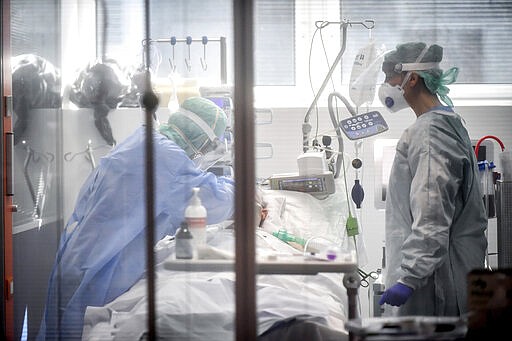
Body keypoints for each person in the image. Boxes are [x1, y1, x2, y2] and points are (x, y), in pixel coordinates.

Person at [38, 96, 235, 340]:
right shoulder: (166, 158)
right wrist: (244, 188)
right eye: (209, 145)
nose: (207, 152)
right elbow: (213, 200)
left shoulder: (143, 140)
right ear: (201, 140)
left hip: (77, 260)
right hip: (100, 273)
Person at [377, 42, 487, 316]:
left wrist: (409, 278)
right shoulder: (446, 122)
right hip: (441, 275)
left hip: (434, 285)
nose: (385, 85)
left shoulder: (430, 133)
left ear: (411, 78)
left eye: (389, 76)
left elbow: (432, 214)